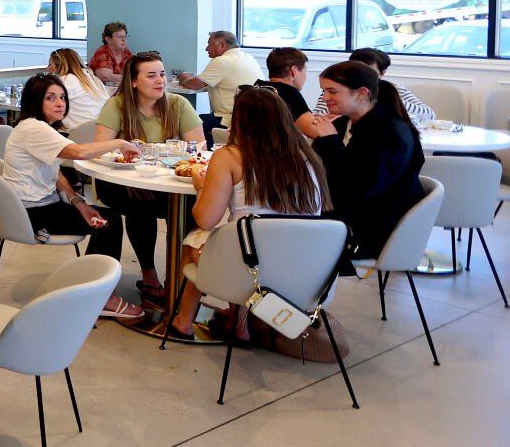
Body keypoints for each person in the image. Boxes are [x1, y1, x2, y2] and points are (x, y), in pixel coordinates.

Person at [166, 87, 330, 340]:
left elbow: (206, 219)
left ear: (240, 120)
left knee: (196, 241)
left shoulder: (230, 156)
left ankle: (183, 322)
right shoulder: (308, 158)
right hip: (304, 267)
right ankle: (237, 324)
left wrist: (201, 187)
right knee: (240, 243)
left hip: (250, 268)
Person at [0, 73, 150, 323]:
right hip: (31, 214)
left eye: (62, 97)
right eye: (50, 98)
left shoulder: (38, 128)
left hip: (38, 205)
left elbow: (55, 171)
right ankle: (101, 296)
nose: (60, 103)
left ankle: (93, 287)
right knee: (110, 221)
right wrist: (119, 142)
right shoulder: (34, 129)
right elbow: (79, 152)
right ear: (35, 101)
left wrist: (78, 203)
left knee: (102, 215)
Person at [90, 51, 203, 302]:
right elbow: (100, 149)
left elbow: (199, 147)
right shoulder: (117, 106)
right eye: (151, 76)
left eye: (162, 74)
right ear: (133, 81)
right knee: (141, 205)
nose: (160, 81)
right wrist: (122, 146)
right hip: (121, 182)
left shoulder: (177, 104)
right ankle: (149, 274)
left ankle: (181, 278)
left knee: (191, 207)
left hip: (169, 182)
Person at [303, 59, 425, 262]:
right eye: (324, 91)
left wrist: (330, 141)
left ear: (361, 93)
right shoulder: (343, 124)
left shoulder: (390, 132)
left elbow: (361, 187)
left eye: (332, 91)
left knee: (284, 235)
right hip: (348, 214)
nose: (325, 98)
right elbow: (319, 171)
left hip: (376, 228)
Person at [312, 47, 435, 124]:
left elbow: (430, 115)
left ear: (382, 73)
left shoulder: (396, 90)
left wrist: (391, 100)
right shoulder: (336, 90)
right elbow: (316, 116)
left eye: (369, 73)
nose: (362, 78)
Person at [177, 30, 260, 143]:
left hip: (228, 119)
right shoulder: (249, 58)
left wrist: (183, 79)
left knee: (190, 123)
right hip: (252, 119)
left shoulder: (221, 61)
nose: (206, 49)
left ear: (222, 45)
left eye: (209, 44)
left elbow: (195, 84)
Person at [48, 47, 107, 126]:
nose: (47, 68)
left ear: (59, 66)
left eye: (50, 64)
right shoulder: (94, 79)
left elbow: (46, 105)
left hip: (73, 133)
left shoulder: (66, 80)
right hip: (95, 129)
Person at [89, 21, 130, 87]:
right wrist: (131, 78)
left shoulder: (125, 52)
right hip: (102, 92)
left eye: (125, 36)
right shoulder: (102, 53)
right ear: (108, 40)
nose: (124, 40)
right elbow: (106, 77)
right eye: (119, 37)